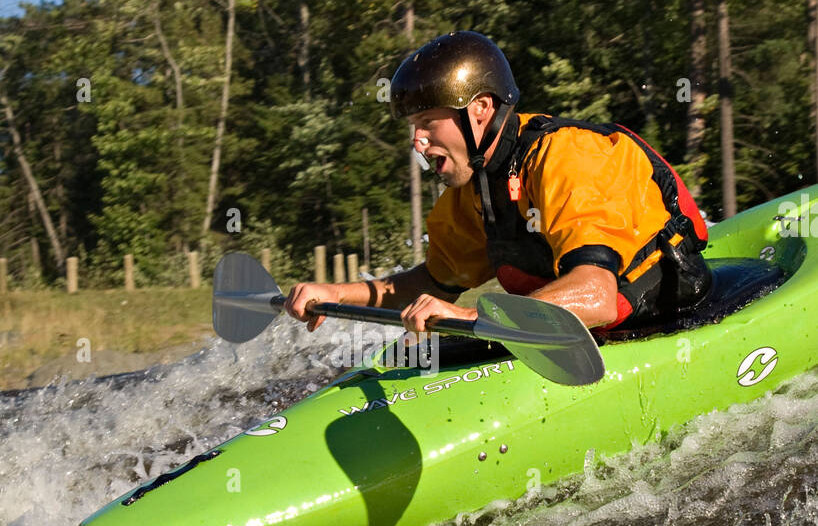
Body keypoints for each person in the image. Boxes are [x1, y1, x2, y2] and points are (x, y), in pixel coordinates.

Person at [284, 30, 710, 337]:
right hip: (573, 335)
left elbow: (595, 295)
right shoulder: (476, 185)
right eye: (414, 127)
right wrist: (333, 292)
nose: (417, 140)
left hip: (665, 317)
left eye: (428, 122)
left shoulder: (565, 158)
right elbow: (431, 282)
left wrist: (471, 318)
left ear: (481, 110)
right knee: (402, 358)